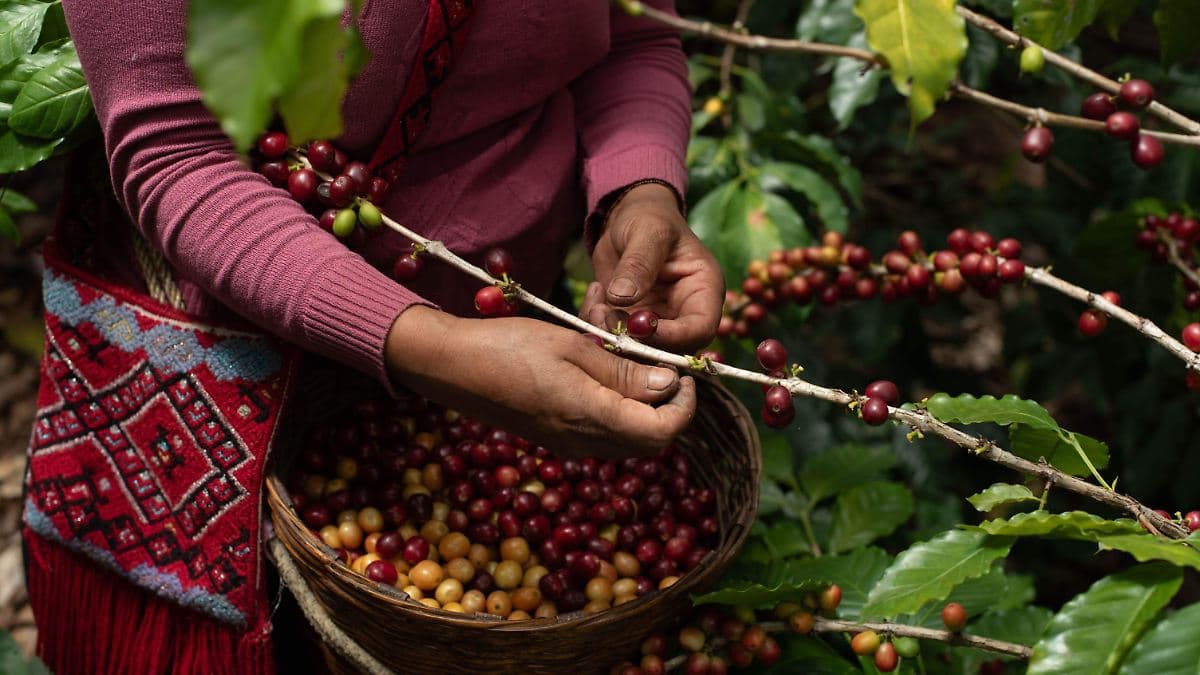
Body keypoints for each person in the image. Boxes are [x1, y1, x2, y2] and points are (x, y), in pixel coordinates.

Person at [26, 0, 724, 672]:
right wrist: (437, 348)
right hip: (238, 370)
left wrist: (639, 188)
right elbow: (176, 153)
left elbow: (634, 37)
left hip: (515, 324)